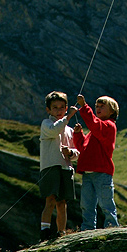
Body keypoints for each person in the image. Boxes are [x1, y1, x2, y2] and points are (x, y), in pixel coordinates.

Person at [73, 93, 119, 231]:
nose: (98, 108)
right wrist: (78, 134)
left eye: (102, 106)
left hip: (102, 173)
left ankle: (111, 227)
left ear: (112, 112)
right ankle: (87, 229)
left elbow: (94, 123)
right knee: (86, 204)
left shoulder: (109, 126)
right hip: (88, 173)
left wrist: (84, 106)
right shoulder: (95, 131)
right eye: (96, 106)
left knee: (106, 203)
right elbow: (83, 148)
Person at [39, 91, 78, 242]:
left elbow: (77, 152)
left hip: (65, 168)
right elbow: (55, 130)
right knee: (50, 200)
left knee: (62, 203)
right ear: (48, 110)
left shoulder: (69, 130)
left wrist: (71, 152)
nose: (59, 110)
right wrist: (68, 117)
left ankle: (61, 233)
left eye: (62, 107)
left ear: (66, 107)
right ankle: (45, 231)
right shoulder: (46, 124)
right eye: (55, 108)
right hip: (50, 166)